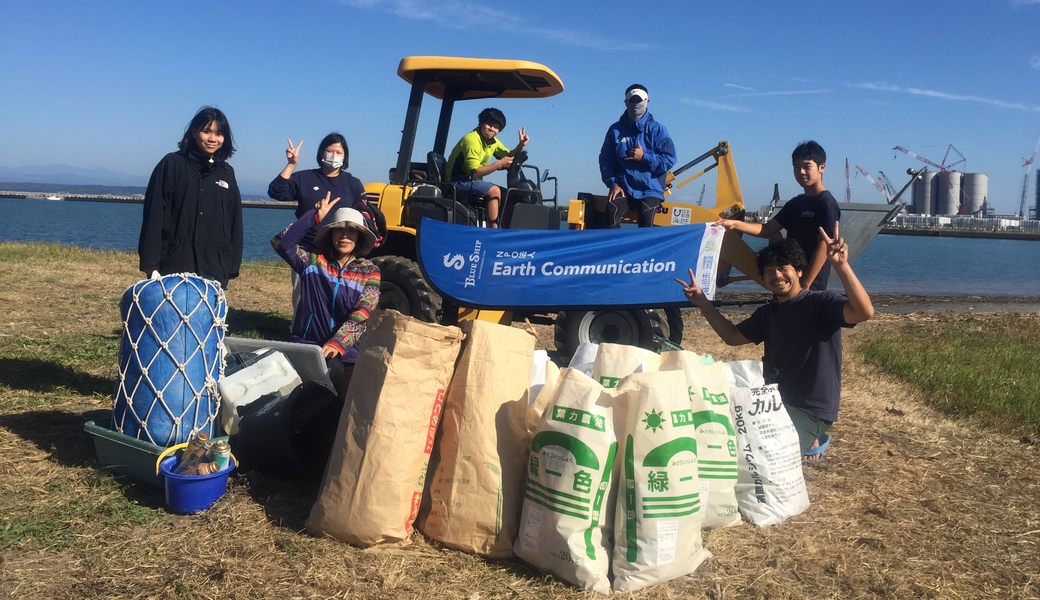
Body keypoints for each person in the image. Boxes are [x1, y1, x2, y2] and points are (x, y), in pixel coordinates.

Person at [674, 228, 874, 461]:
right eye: (769, 271)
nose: (776, 275)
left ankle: (813, 434)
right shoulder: (768, 313)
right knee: (734, 440)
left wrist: (841, 266)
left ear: (799, 271)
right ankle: (810, 438)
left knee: (770, 456)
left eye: (783, 268)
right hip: (773, 400)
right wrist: (703, 303)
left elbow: (863, 312)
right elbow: (731, 336)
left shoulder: (821, 303)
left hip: (810, 407)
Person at [272, 192, 381, 401]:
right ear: (330, 234)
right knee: (297, 408)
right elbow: (281, 242)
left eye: (352, 231)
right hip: (306, 347)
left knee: (337, 410)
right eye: (338, 230)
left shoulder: (370, 271)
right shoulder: (313, 261)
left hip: (345, 355)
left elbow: (363, 312)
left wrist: (337, 344)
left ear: (360, 236)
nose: (345, 236)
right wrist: (313, 216)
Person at [268, 133, 381, 317]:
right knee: (303, 299)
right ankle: (299, 335)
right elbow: (276, 191)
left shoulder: (352, 183)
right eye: (330, 150)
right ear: (321, 153)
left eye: (339, 152)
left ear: (345, 157)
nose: (334, 155)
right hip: (306, 248)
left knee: (335, 299)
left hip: (338, 254)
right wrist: (291, 164)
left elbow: (363, 214)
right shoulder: (305, 178)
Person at [138, 106, 243, 288]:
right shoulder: (172, 164)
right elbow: (154, 215)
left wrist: (232, 265)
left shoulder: (226, 172)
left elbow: (235, 221)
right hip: (174, 262)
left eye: (219, 134)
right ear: (194, 131)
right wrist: (150, 264)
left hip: (213, 265)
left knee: (208, 316)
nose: (212, 139)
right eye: (206, 131)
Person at [716, 140, 840, 290]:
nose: (801, 172)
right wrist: (735, 224)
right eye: (796, 167)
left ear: (821, 168)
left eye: (807, 166)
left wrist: (806, 284)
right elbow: (767, 230)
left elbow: (824, 245)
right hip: (790, 280)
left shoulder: (825, 203)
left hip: (810, 285)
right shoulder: (795, 203)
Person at [598, 84, 677, 228]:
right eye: (632, 100)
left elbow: (669, 159)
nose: (636, 104)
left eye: (639, 101)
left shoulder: (658, 130)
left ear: (647, 102)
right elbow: (605, 160)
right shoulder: (615, 130)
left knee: (646, 218)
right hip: (624, 187)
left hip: (650, 189)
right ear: (625, 102)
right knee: (611, 211)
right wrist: (613, 184)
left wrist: (644, 157)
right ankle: (618, 249)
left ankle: (645, 251)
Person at [445, 107, 529, 228]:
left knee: (510, 194)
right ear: (481, 123)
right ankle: (494, 232)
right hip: (457, 181)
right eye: (489, 124)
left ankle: (505, 229)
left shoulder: (492, 141)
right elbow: (474, 172)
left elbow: (507, 156)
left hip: (471, 181)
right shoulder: (472, 140)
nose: (492, 129)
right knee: (494, 191)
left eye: (496, 127)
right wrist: (499, 164)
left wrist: (520, 146)